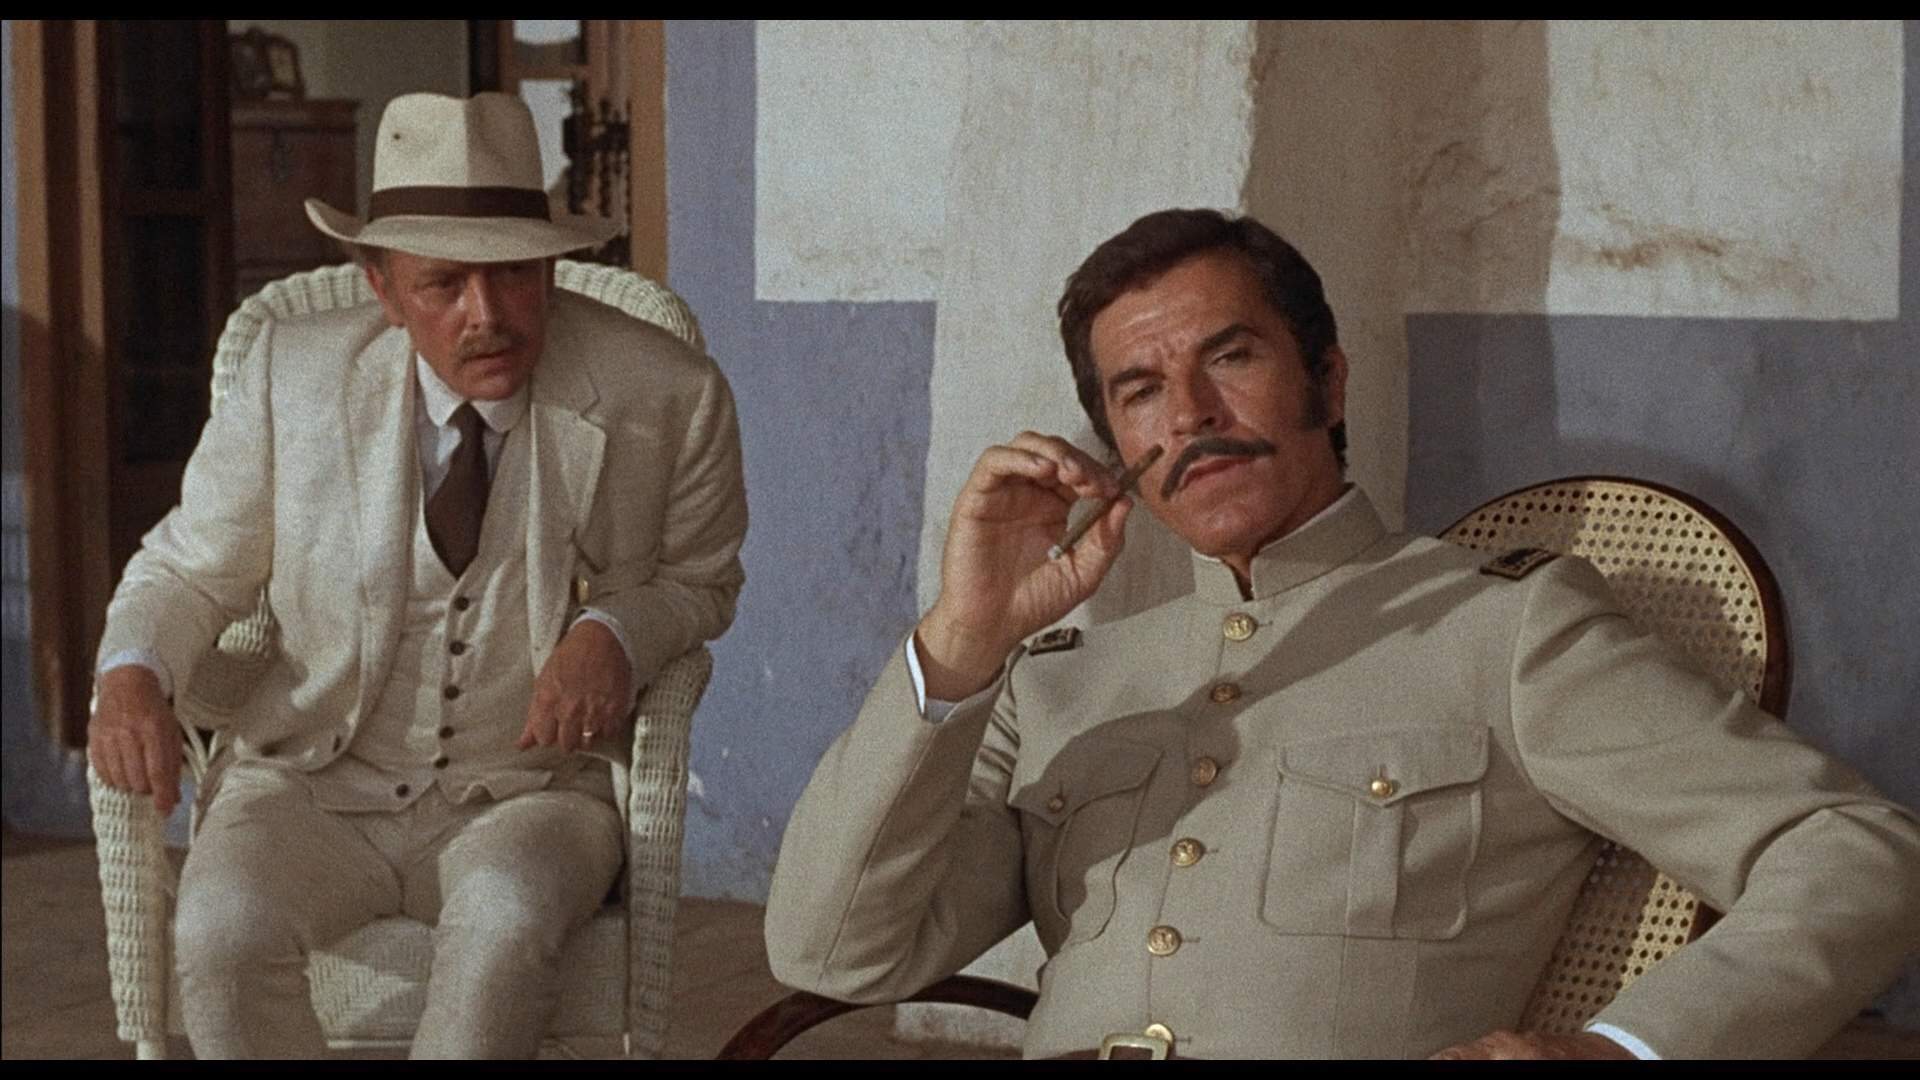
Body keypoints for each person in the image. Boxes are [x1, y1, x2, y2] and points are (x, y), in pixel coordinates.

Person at [763, 208, 1920, 1059]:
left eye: (1231, 357)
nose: (1192, 417)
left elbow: (1861, 851)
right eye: (1140, 390)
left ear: (1327, 380)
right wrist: (961, 642)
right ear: (1116, 450)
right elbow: (834, 954)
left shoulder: (1506, 630)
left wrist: (1619, 1051)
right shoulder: (1056, 682)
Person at [86, 92, 748, 1058]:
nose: (489, 316)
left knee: (506, 922)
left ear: (550, 268)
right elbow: (188, 571)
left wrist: (612, 632)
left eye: (515, 274)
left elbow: (702, 581)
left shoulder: (668, 393)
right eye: (444, 284)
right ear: (383, 289)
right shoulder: (290, 377)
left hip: (530, 793)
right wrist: (132, 674)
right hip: (310, 782)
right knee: (220, 931)